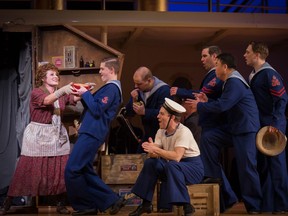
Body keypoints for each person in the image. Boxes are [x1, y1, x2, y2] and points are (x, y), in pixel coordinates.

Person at [0, 63, 80, 215]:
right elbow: (47, 101)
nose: (56, 76)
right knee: (26, 170)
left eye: (57, 74)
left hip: (56, 134)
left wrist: (84, 89)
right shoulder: (36, 92)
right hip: (38, 135)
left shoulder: (60, 93)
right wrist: (63, 90)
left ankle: (60, 203)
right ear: (43, 78)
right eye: (51, 74)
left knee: (60, 168)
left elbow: (74, 97)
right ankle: (8, 202)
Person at [187, 53, 263, 214]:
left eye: (217, 66)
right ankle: (215, 178)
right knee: (208, 138)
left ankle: (255, 206)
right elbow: (223, 103)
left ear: (225, 67)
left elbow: (223, 106)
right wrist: (207, 102)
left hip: (245, 129)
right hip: (234, 128)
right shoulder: (229, 81)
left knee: (247, 167)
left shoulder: (234, 82)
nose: (215, 70)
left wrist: (199, 106)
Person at [170, 45, 238, 212]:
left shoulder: (215, 76)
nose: (201, 59)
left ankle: (228, 197)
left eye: (204, 56)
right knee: (210, 163)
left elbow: (201, 93)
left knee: (210, 163)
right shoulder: (212, 75)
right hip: (211, 124)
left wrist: (181, 91)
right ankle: (227, 198)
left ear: (215, 57)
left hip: (213, 125)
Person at [64, 57, 126, 215]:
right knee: (84, 169)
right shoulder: (108, 88)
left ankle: (86, 205)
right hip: (91, 131)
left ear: (111, 70)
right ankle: (110, 200)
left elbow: (97, 110)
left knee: (72, 169)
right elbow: (94, 107)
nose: (99, 72)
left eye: (102, 69)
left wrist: (86, 94)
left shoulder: (112, 89)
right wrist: (86, 95)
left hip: (93, 132)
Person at [127, 98, 203, 216]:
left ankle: (186, 205)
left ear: (172, 117)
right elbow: (154, 154)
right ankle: (146, 204)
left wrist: (156, 149)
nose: (157, 116)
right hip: (172, 168)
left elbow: (177, 157)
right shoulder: (161, 131)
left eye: (161, 114)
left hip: (192, 169)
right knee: (151, 163)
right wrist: (151, 150)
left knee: (172, 165)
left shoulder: (183, 131)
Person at [244, 41, 288, 213]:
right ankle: (269, 205)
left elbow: (282, 99)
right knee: (264, 167)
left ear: (256, 54)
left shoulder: (269, 74)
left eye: (247, 52)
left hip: (273, 127)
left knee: (277, 168)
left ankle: (282, 205)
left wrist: (276, 125)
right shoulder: (253, 75)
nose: (244, 55)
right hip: (260, 126)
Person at [125, 66, 171, 153]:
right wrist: (133, 100)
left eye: (139, 84)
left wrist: (145, 112)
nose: (136, 86)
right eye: (135, 83)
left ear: (149, 80)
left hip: (162, 135)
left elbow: (165, 114)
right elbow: (129, 113)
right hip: (147, 133)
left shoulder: (164, 90)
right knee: (139, 158)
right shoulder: (138, 90)